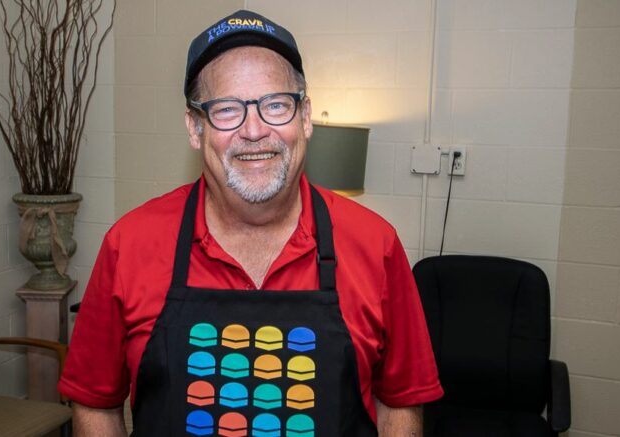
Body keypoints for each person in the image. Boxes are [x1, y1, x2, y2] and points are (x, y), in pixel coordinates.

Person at [59, 9, 443, 437]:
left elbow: (401, 403)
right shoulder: (129, 244)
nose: (255, 130)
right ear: (194, 127)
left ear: (304, 117)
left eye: (276, 104)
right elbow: (95, 402)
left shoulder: (376, 244)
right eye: (227, 109)